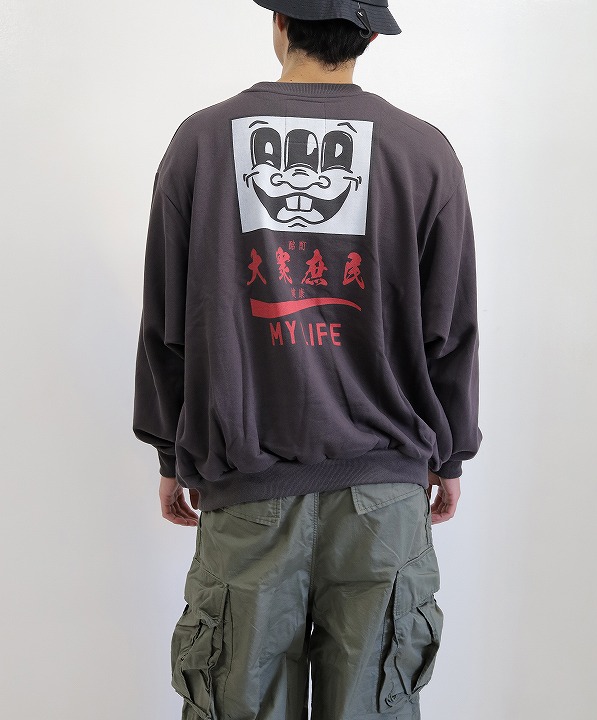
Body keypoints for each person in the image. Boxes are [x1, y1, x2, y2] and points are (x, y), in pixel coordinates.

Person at [132, 1, 483, 718]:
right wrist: (450, 457)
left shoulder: (202, 142)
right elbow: (449, 327)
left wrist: (171, 451)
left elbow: (167, 320)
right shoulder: (424, 152)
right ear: (370, 36)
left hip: (246, 486)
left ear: (280, 23)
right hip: (385, 497)